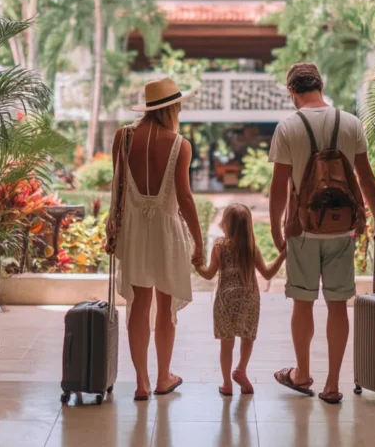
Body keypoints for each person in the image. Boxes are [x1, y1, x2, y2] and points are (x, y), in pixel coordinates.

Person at [268, 62, 375, 405]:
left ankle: (302, 374)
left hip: (302, 229)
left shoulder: (288, 127)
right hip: (341, 229)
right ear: (320, 85)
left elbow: (278, 188)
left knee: (303, 304)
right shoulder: (350, 123)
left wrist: (278, 231)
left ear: (293, 91)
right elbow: (366, 178)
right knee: (338, 305)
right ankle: (333, 384)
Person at [111, 77, 205, 401]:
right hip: (167, 232)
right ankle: (164, 377)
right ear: (172, 107)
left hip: (135, 231)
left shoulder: (123, 137)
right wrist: (199, 241)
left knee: (139, 304)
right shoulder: (179, 144)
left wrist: (113, 227)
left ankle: (141, 382)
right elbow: (186, 198)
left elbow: (117, 189)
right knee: (165, 307)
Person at [195, 204, 286, 397]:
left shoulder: (220, 247)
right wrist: (282, 256)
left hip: (225, 300)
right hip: (248, 298)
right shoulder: (251, 248)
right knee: (247, 335)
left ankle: (227, 383)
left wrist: (197, 265)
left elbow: (209, 274)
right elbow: (268, 274)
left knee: (226, 344)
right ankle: (241, 369)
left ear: (226, 223)